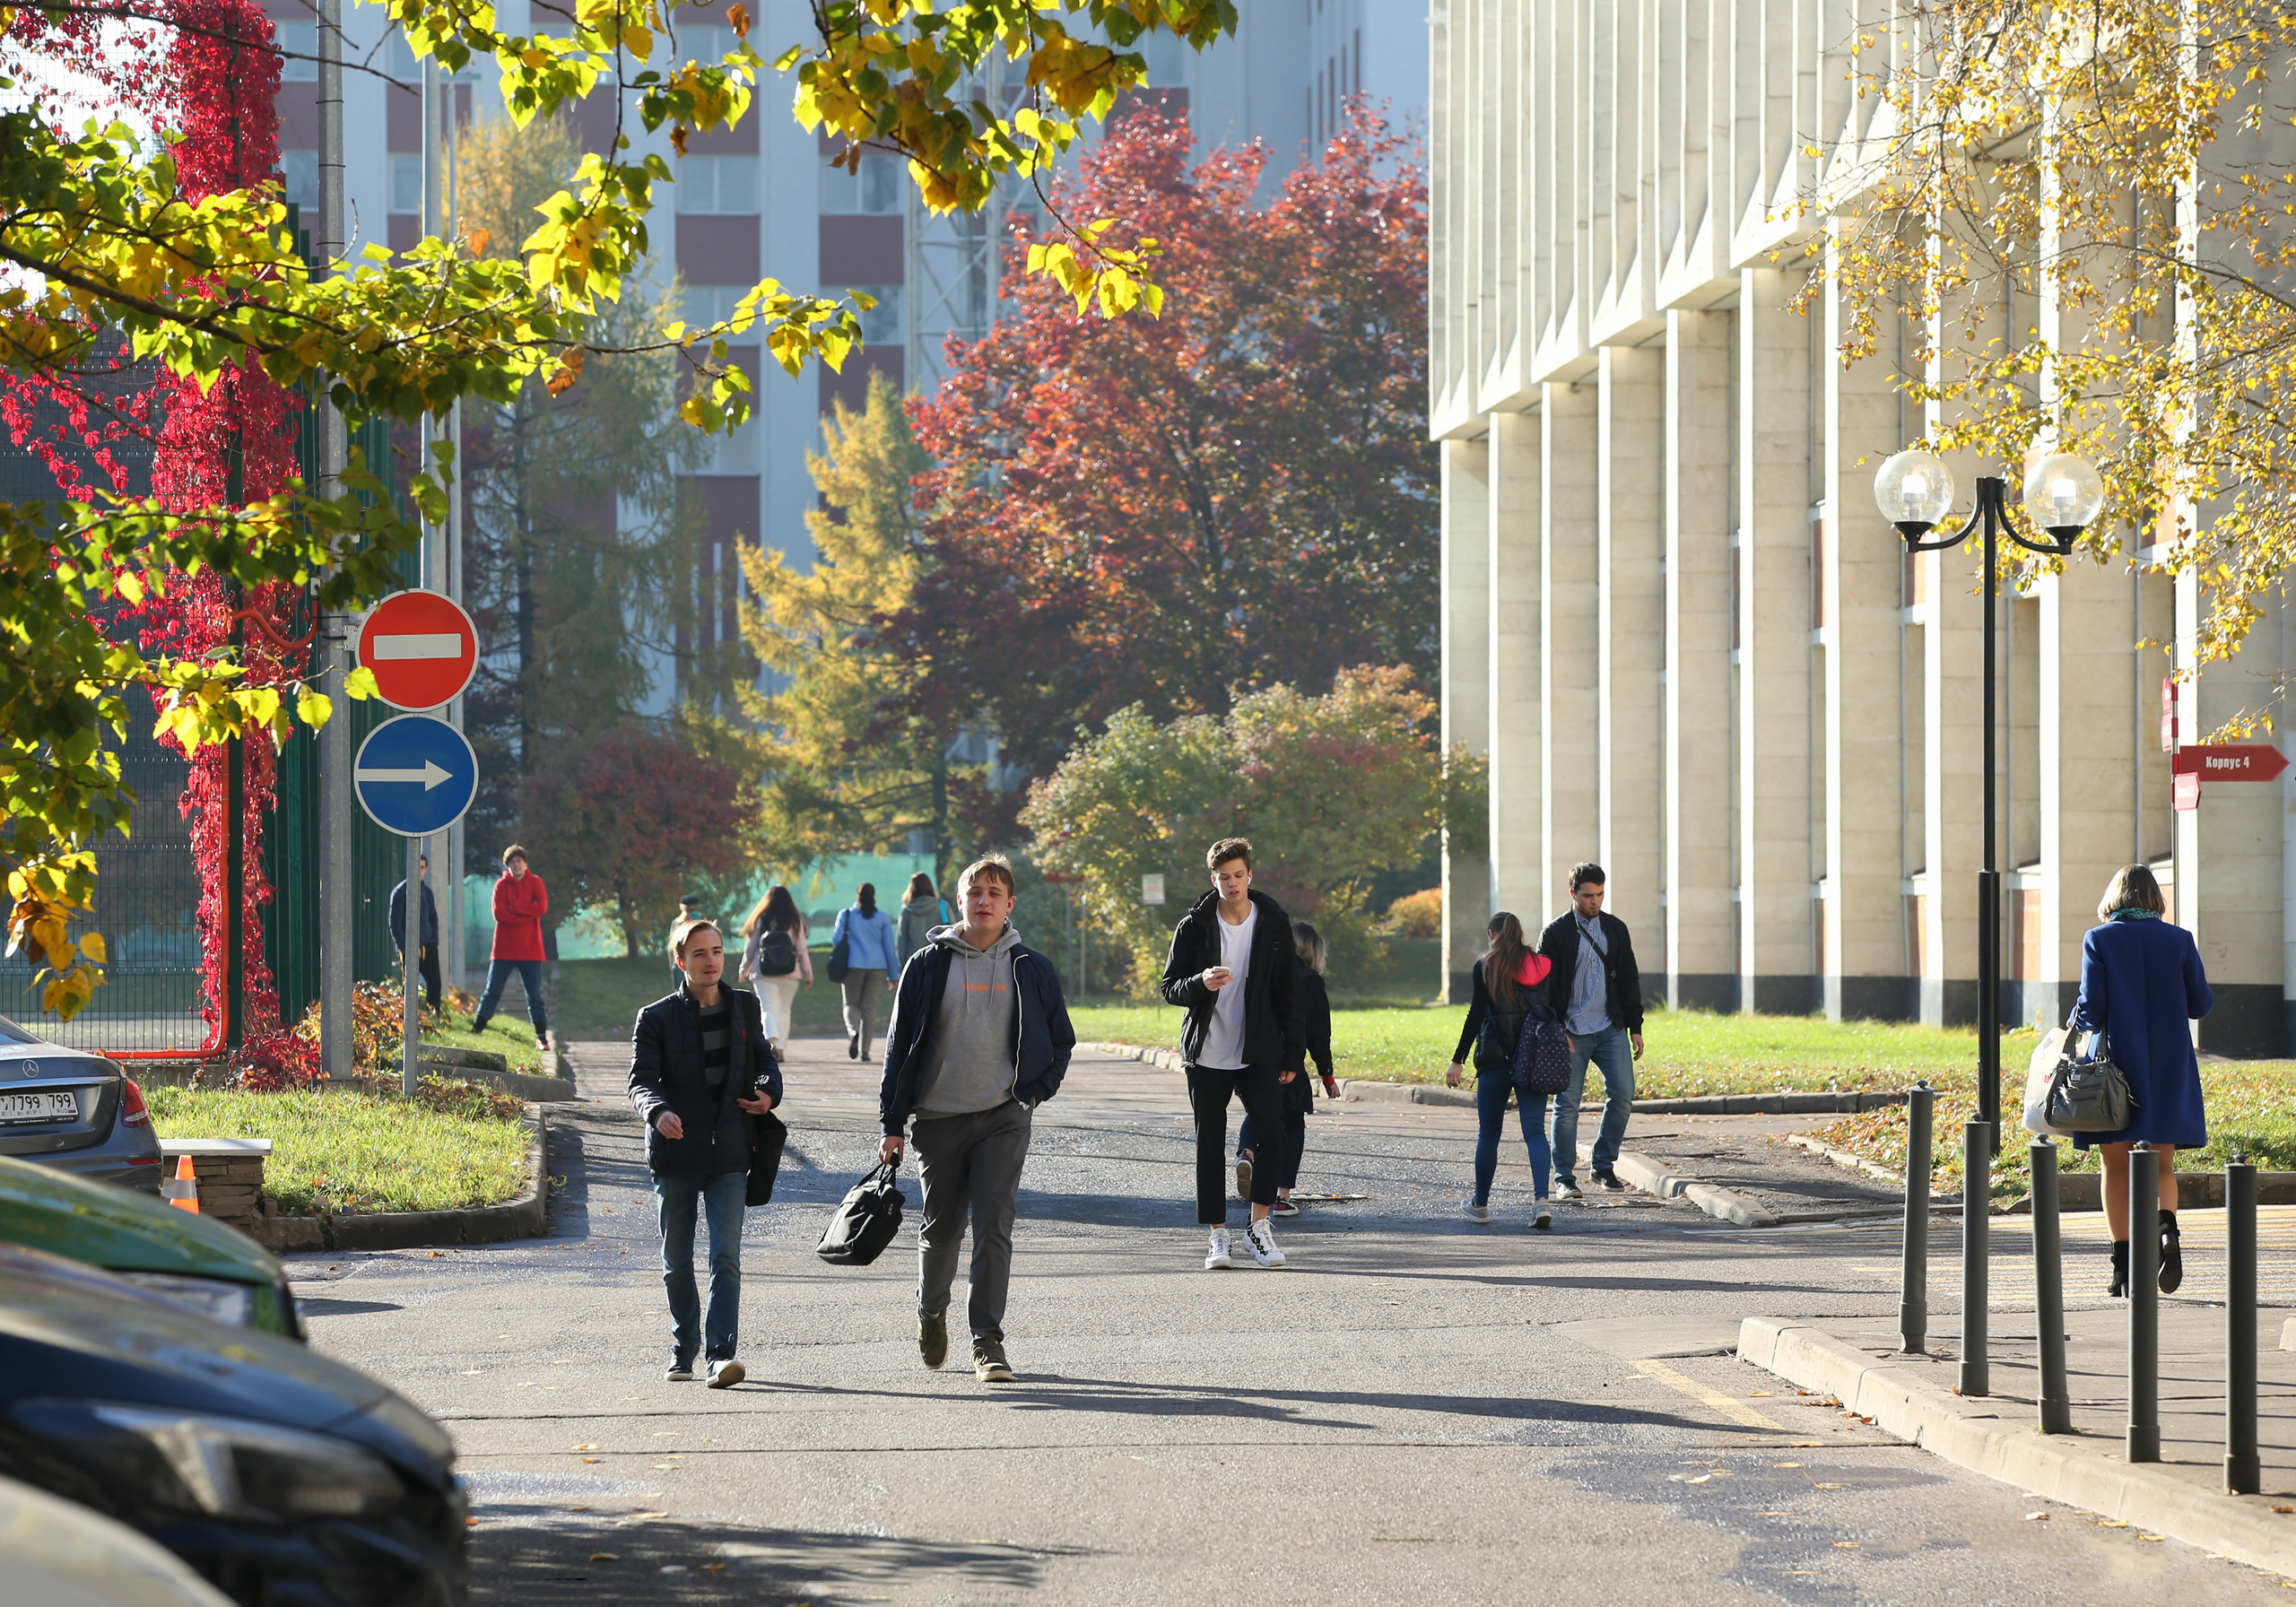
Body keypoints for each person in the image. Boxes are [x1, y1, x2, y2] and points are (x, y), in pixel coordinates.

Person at [876, 854, 1075, 1384]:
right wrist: (891, 1124)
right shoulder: (927, 965)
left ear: (1010, 904)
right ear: (958, 902)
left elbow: (1061, 1041)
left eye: (994, 892)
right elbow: (900, 1049)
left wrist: (1032, 1095)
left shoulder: (1031, 967)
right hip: (939, 1119)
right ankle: (930, 1309)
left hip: (1003, 1115)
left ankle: (988, 1340)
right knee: (941, 1231)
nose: (983, 900)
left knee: (994, 1228)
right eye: (974, 892)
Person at [628, 918, 780, 1387]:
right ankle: (683, 1347)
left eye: (716, 951)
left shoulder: (744, 1007)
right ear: (681, 962)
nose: (711, 961)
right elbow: (641, 1080)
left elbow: (763, 1060)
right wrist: (658, 1112)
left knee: (726, 1256)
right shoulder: (655, 1018)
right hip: (676, 1153)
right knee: (676, 1257)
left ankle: (720, 1354)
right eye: (699, 954)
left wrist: (768, 1093)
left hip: (731, 1151)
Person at [1160, 837, 1302, 1271]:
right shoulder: (1194, 926)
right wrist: (1201, 982)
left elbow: (1289, 993)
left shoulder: (1273, 923)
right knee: (1210, 1142)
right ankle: (1217, 1236)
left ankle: (1258, 1229)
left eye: (1238, 875)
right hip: (1207, 1052)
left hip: (1257, 1049)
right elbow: (1170, 988)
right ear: (1213, 879)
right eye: (1224, 877)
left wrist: (1292, 1055)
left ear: (1249, 876)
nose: (1232, 883)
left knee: (1273, 1131)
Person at [2071, 863, 2213, 1298]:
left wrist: (2075, 1021)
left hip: (2115, 1070)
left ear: (2114, 897)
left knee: (2114, 1166)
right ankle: (2167, 1230)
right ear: (2154, 899)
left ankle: (2122, 1270)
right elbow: (2201, 1005)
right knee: (2163, 1165)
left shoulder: (2100, 939)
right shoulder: (2180, 940)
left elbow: (2092, 1008)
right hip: (2169, 1066)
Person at [1533, 862, 1644, 1198]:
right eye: (1587, 896)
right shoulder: (1556, 933)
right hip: (1570, 1031)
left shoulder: (1615, 928)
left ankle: (1603, 1166)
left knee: (1623, 1094)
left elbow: (1629, 979)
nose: (1594, 902)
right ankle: (1564, 1178)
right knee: (1567, 1105)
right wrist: (1554, 1028)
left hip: (1610, 1027)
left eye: (1599, 895)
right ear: (1573, 894)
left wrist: (1635, 1027)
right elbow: (1542, 988)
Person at [1445, 913, 1558, 1228]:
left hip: (1495, 1059)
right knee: (1535, 1131)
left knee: (1489, 1134)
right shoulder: (1542, 965)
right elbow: (1554, 1008)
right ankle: (1541, 1201)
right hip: (1533, 1058)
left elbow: (1475, 1015)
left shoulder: (1485, 965)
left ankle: (1480, 1205)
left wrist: (1459, 1059)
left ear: (1491, 934)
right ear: (1520, 934)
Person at [1235, 919, 1339, 1220]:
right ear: (1311, 950)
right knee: (1292, 1123)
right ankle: (1281, 1197)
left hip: (1250, 1058)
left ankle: (1246, 1153)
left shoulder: (1261, 973)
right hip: (1287, 1061)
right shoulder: (1309, 981)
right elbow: (1318, 1033)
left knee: (1258, 1113)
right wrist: (1327, 1075)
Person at [473, 845, 551, 1051]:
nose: (516, 865)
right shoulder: (501, 885)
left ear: (525, 863)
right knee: (492, 991)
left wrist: (514, 909)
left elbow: (541, 907)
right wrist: (527, 914)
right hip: (503, 950)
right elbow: (499, 914)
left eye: (519, 861)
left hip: (531, 950)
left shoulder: (536, 882)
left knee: (534, 994)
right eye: (512, 862)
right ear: (507, 866)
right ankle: (476, 1029)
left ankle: (541, 1037)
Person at [738, 885, 813, 1055]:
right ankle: (779, 1048)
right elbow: (801, 950)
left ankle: (771, 1039)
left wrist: (744, 969)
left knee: (767, 1008)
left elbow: (751, 948)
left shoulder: (760, 919)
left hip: (763, 972)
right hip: (790, 972)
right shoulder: (795, 921)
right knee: (784, 1010)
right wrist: (808, 974)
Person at [831, 883, 900, 1061]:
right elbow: (889, 947)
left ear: (857, 896)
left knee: (850, 1004)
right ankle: (865, 1052)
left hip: (852, 966)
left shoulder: (846, 915)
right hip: (877, 967)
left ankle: (853, 1031)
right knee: (869, 1009)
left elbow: (837, 939)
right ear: (874, 897)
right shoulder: (882, 918)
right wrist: (893, 975)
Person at [389, 854, 442, 1015]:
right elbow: (394, 921)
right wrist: (403, 945)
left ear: (426, 869)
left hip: (428, 945)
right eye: (416, 866)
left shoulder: (427, 892)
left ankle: (433, 1017)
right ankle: (405, 1018)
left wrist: (434, 939)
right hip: (409, 948)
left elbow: (433, 917)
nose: (419, 870)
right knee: (409, 985)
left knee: (435, 983)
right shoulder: (400, 892)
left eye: (422, 867)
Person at [897, 873, 949, 970]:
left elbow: (902, 940)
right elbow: (953, 934)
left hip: (914, 962)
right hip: (939, 960)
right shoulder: (942, 906)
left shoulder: (906, 909)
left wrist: (902, 966)